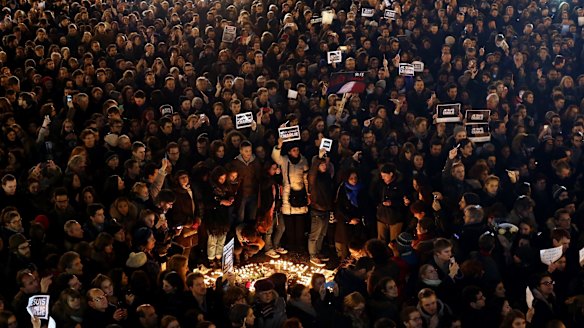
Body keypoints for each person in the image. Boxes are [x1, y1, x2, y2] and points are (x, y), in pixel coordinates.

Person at [272, 137, 309, 252]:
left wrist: (308, 194)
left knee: (300, 223)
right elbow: (275, 157)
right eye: (293, 150)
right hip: (287, 194)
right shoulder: (284, 160)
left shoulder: (303, 161)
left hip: (300, 194)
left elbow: (306, 179)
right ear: (289, 151)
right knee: (289, 222)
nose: (296, 152)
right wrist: (279, 145)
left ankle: (299, 244)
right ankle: (291, 244)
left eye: (297, 150)